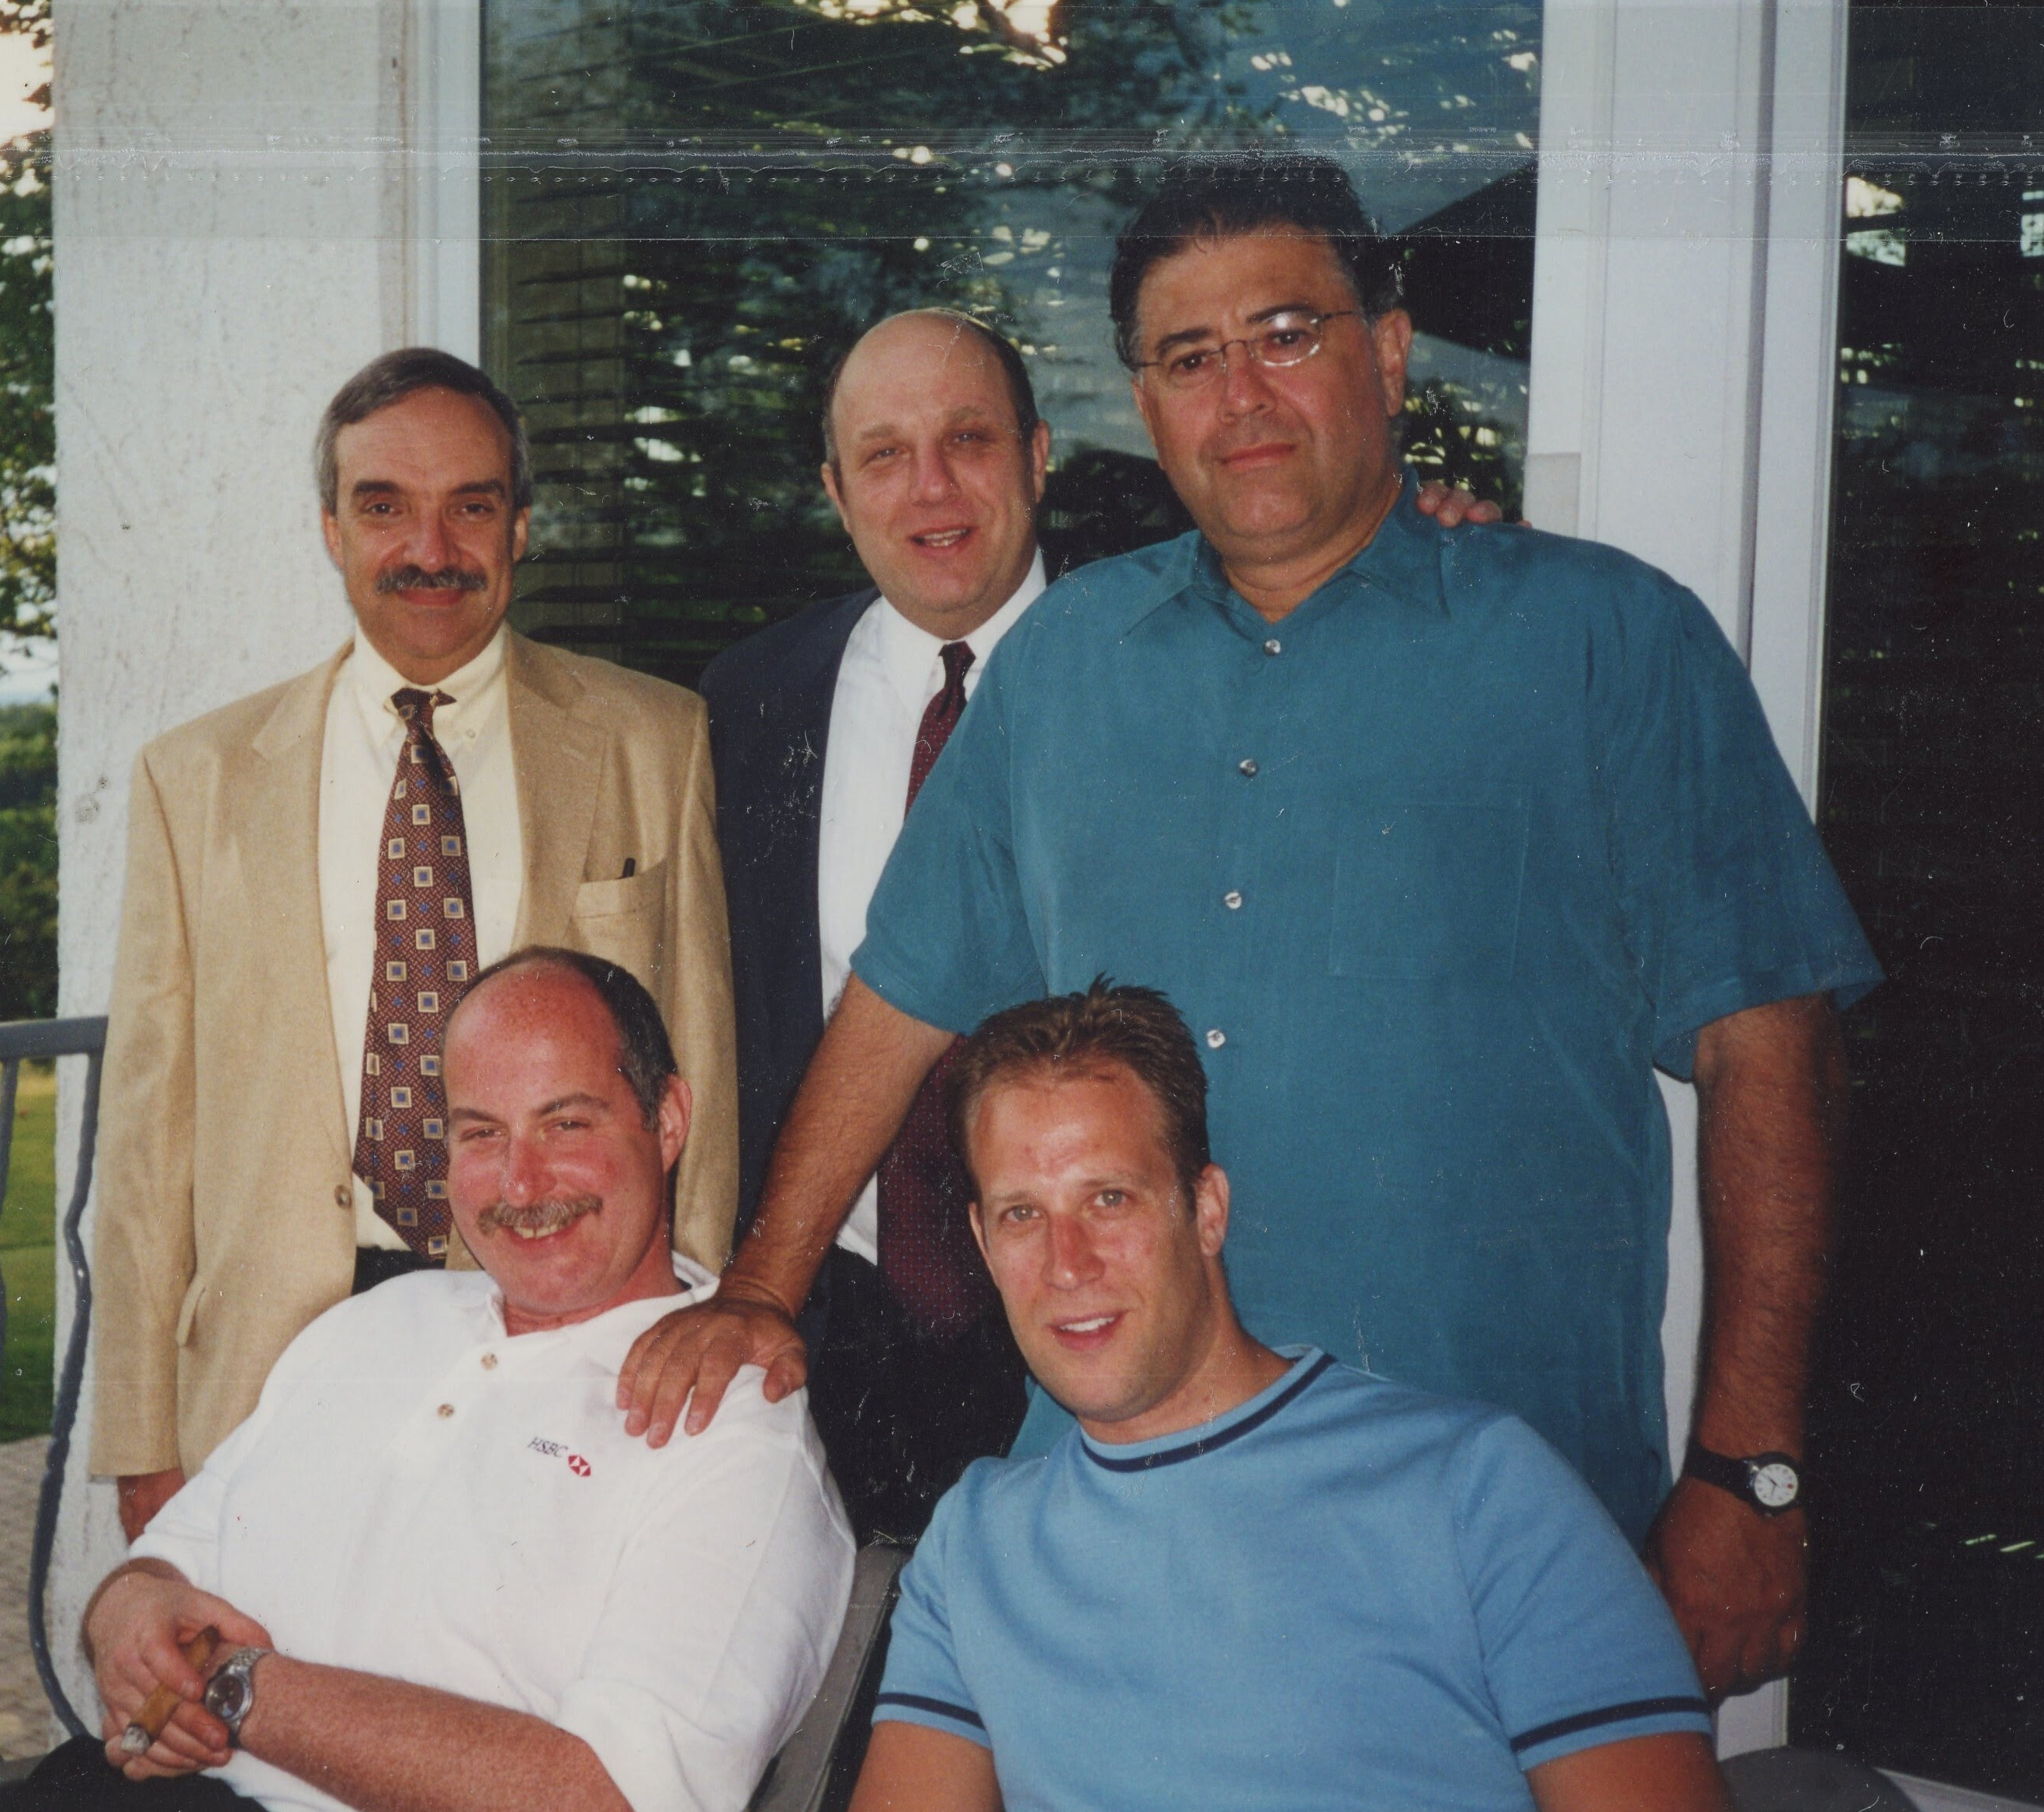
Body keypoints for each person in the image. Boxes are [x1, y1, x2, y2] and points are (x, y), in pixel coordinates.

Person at [624, 154, 1879, 1697]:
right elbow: (899, 999)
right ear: (1144, 406)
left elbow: (1772, 1040)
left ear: (1390, 351)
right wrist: (757, 1289)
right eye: (1190, 357)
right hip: (1114, 1515)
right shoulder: (1068, 662)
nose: (1244, 395)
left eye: (1287, 332)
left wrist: (1752, 1467)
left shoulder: (1604, 642)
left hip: (1488, 1534)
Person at [701, 307, 1499, 1540]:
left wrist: (1420, 542)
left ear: (1036, 456)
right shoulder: (743, 704)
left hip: (1106, 1309)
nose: (931, 487)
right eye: (883, 453)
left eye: (969, 438)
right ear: (831, 487)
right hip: (835, 1316)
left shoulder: (1181, 661)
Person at [95, 348, 740, 1539]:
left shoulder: (655, 742)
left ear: (522, 527)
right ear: (331, 531)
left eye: (471, 507)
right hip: (266, 1368)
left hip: (566, 1342)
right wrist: (143, 1443)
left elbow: (695, 1079)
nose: (429, 549)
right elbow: (144, 1147)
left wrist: (679, 1330)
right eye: (383, 506)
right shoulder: (195, 781)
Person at [7, 950, 853, 1812]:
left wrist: (240, 1691)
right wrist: (127, 1625)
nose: (521, 1184)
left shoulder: (732, 1427)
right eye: (482, 1133)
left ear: (666, 1120)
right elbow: (163, 1565)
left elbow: (609, 1797)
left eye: (566, 1124)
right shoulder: (378, 1322)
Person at [851, 982, 1728, 1812]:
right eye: (1021, 1215)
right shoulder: (975, 1545)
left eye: (1108, 1198)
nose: (1065, 1263)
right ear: (980, 1240)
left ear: (1206, 1210)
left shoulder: (1474, 1489)